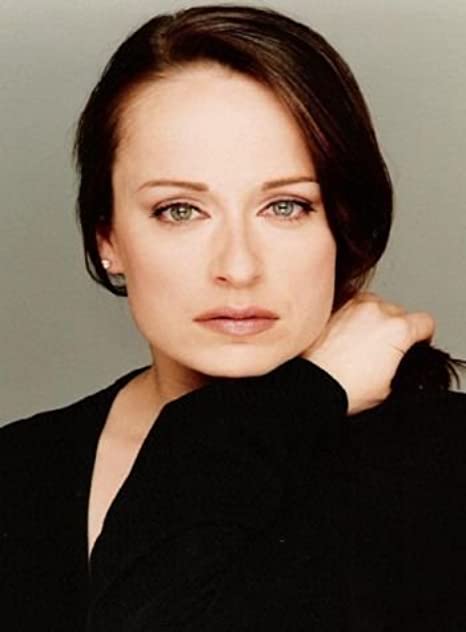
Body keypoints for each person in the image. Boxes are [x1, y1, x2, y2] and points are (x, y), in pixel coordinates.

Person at [1, 4, 465, 630]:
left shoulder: (447, 462)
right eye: (180, 210)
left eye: (285, 206)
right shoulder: (18, 473)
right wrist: (299, 397)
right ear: (107, 238)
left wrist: (281, 406)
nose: (239, 267)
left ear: (343, 224)